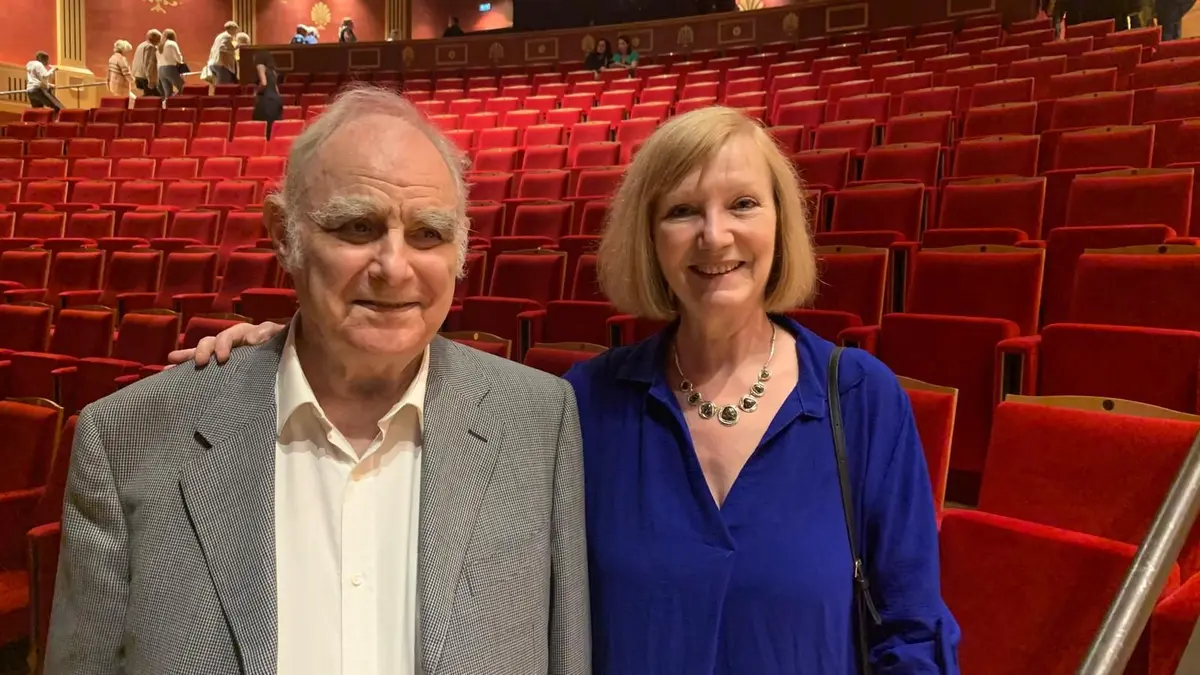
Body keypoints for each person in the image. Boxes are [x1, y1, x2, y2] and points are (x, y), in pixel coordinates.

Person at [174, 106, 961, 674]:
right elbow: (425, 381)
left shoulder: (859, 398)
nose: (715, 237)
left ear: (781, 223)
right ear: (650, 240)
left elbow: (913, 633)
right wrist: (278, 352)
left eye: (743, 205)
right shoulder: (581, 404)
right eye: (682, 211)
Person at [45, 86, 590, 675]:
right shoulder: (129, 436)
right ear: (285, 234)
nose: (395, 267)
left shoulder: (538, 421)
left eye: (429, 233)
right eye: (357, 227)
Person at [252, 50, 283, 138]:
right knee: (274, 129)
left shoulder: (260, 66)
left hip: (266, 101)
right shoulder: (273, 71)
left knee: (263, 129)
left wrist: (256, 91)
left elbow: (264, 83)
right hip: (276, 100)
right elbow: (276, 89)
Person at [157, 28, 186, 99]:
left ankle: (168, 107)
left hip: (161, 70)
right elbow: (178, 58)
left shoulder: (160, 45)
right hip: (170, 68)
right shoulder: (172, 43)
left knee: (168, 92)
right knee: (183, 88)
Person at [131, 29, 161, 97]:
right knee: (153, 96)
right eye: (159, 39)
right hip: (145, 77)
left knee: (151, 95)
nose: (160, 41)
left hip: (138, 75)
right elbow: (149, 64)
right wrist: (150, 80)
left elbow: (135, 60)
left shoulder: (141, 45)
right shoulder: (151, 47)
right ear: (155, 38)